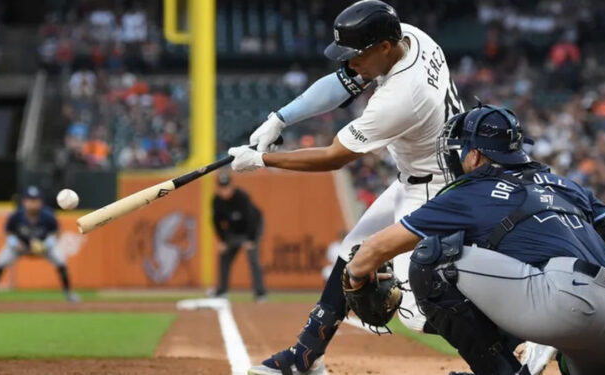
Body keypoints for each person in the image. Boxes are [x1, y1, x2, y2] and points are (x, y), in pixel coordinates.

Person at [228, 1, 509, 374]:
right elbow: (343, 83)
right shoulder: (410, 37)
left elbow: (334, 157)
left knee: (415, 311)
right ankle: (305, 357)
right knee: (351, 252)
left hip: (435, 189)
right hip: (418, 175)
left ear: (384, 48)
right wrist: (280, 119)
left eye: (356, 54)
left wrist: (261, 161)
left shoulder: (402, 97)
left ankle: (518, 338)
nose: (350, 63)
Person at [344, 104, 605, 375]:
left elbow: (379, 247)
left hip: (565, 305)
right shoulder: (564, 184)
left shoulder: (471, 189)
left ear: (475, 155)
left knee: (433, 259)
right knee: (578, 365)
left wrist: (356, 276)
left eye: (461, 151)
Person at [0, 186, 79, 303]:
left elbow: (56, 232)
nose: (33, 203)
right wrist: (15, 243)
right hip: (20, 246)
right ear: (24, 201)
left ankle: (69, 293)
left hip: (44, 246)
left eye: (36, 200)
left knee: (61, 262)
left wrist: (47, 244)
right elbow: (8, 231)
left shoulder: (48, 215)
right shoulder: (16, 216)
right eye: (30, 200)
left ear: (40, 202)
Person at [212, 172, 267, 301]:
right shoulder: (217, 200)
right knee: (224, 257)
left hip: (251, 229)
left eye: (226, 187)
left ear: (232, 185)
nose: (224, 191)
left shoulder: (242, 197)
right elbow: (216, 222)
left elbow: (252, 218)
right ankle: (221, 290)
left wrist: (251, 239)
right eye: (222, 187)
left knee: (253, 259)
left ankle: (260, 293)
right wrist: (222, 241)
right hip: (233, 231)